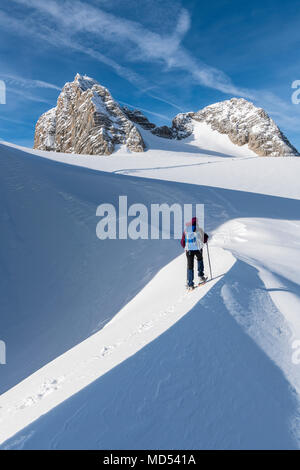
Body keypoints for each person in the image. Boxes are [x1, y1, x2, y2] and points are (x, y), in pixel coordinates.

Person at [181, 217, 209, 291]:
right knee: (200, 260)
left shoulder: (186, 230)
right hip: (198, 249)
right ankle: (201, 277)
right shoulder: (199, 229)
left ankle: (190, 284)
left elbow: (182, 242)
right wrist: (206, 238)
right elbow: (205, 239)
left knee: (190, 267)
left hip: (189, 251)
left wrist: (186, 247)